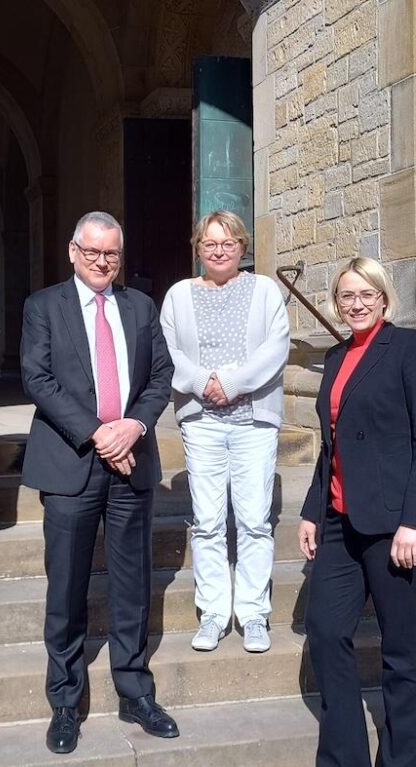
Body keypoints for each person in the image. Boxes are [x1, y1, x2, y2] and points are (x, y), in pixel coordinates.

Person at [21, 211, 178, 755]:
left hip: (131, 460)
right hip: (71, 462)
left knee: (133, 584)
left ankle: (135, 690)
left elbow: (161, 376)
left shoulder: (139, 307)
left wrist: (133, 426)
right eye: (92, 252)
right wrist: (96, 432)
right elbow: (36, 377)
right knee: (66, 586)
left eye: (111, 253)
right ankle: (65, 700)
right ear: (72, 251)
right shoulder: (43, 306)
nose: (102, 262)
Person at [297, 256, 416, 767]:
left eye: (367, 294)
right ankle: (345, 757)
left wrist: (413, 522)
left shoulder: (412, 348)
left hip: (398, 522)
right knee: (325, 631)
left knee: (401, 649)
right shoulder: (338, 355)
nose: (357, 303)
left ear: (385, 298)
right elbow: (333, 443)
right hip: (342, 520)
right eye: (347, 296)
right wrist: (310, 510)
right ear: (336, 303)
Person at [160, 210, 289, 653]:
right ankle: (214, 611)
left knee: (254, 520)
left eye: (228, 242)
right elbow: (169, 349)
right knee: (209, 521)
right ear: (197, 248)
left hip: (254, 420)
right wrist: (203, 384)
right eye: (210, 243)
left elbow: (276, 347)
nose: (219, 250)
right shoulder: (178, 295)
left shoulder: (265, 290)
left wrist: (230, 383)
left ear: (242, 246)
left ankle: (253, 612)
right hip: (202, 420)